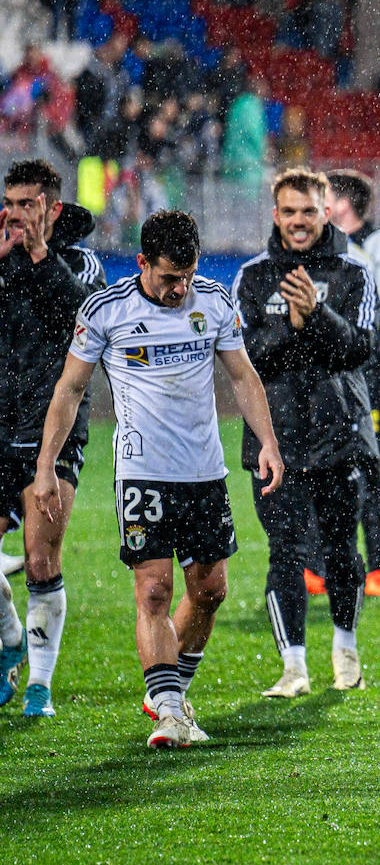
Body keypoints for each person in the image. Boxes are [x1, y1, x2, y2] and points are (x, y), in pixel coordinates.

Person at [32, 210, 285, 748]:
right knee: (153, 590)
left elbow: (242, 375)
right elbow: (70, 390)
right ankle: (169, 710)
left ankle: (172, 691)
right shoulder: (106, 310)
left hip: (204, 472)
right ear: (143, 262)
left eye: (188, 276)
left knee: (210, 591)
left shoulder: (213, 301)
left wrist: (268, 441)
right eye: (170, 278)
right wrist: (46, 465)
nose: (180, 289)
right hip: (143, 474)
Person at [232, 167, 378, 698]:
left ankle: (345, 647)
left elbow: (362, 351)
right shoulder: (251, 276)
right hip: (274, 441)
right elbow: (246, 361)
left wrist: (317, 315)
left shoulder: (353, 272)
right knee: (285, 552)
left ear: (326, 213)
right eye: (289, 211)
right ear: (276, 215)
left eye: (308, 211)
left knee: (341, 550)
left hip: (336, 438)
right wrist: (293, 326)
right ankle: (293, 666)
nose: (298, 221)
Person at [0, 158, 105, 717]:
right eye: (9, 202)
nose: (15, 214)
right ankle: (12, 639)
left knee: (41, 560)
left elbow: (81, 322)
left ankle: (38, 683)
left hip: (53, 428)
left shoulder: (81, 263)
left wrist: (39, 254)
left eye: (27, 204)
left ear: (52, 208)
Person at [326, 169, 380, 598]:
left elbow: (376, 292)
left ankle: (376, 569)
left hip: (370, 373)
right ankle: (322, 565)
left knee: (370, 471)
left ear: (343, 204)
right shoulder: (320, 248)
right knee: (323, 470)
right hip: (329, 376)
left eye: (326, 196)